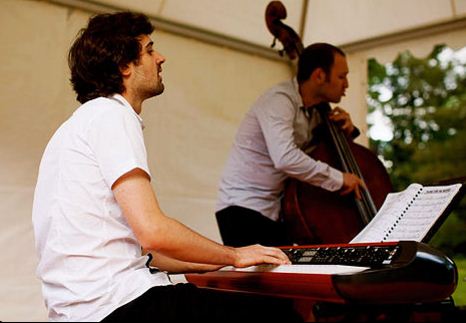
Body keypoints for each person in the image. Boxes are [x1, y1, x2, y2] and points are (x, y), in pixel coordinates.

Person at [32, 11, 302, 322]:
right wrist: (236, 254)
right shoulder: (111, 115)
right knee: (281, 315)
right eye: (148, 50)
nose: (160, 58)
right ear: (124, 66)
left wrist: (220, 261)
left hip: (84, 310)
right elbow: (153, 233)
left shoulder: (77, 125)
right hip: (119, 305)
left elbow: (145, 254)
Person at [215, 43, 366, 247]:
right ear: (319, 76)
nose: (346, 84)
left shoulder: (315, 111)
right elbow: (285, 157)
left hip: (276, 212)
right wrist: (339, 179)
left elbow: (319, 153)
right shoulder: (279, 101)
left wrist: (348, 130)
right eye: (342, 76)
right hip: (243, 209)